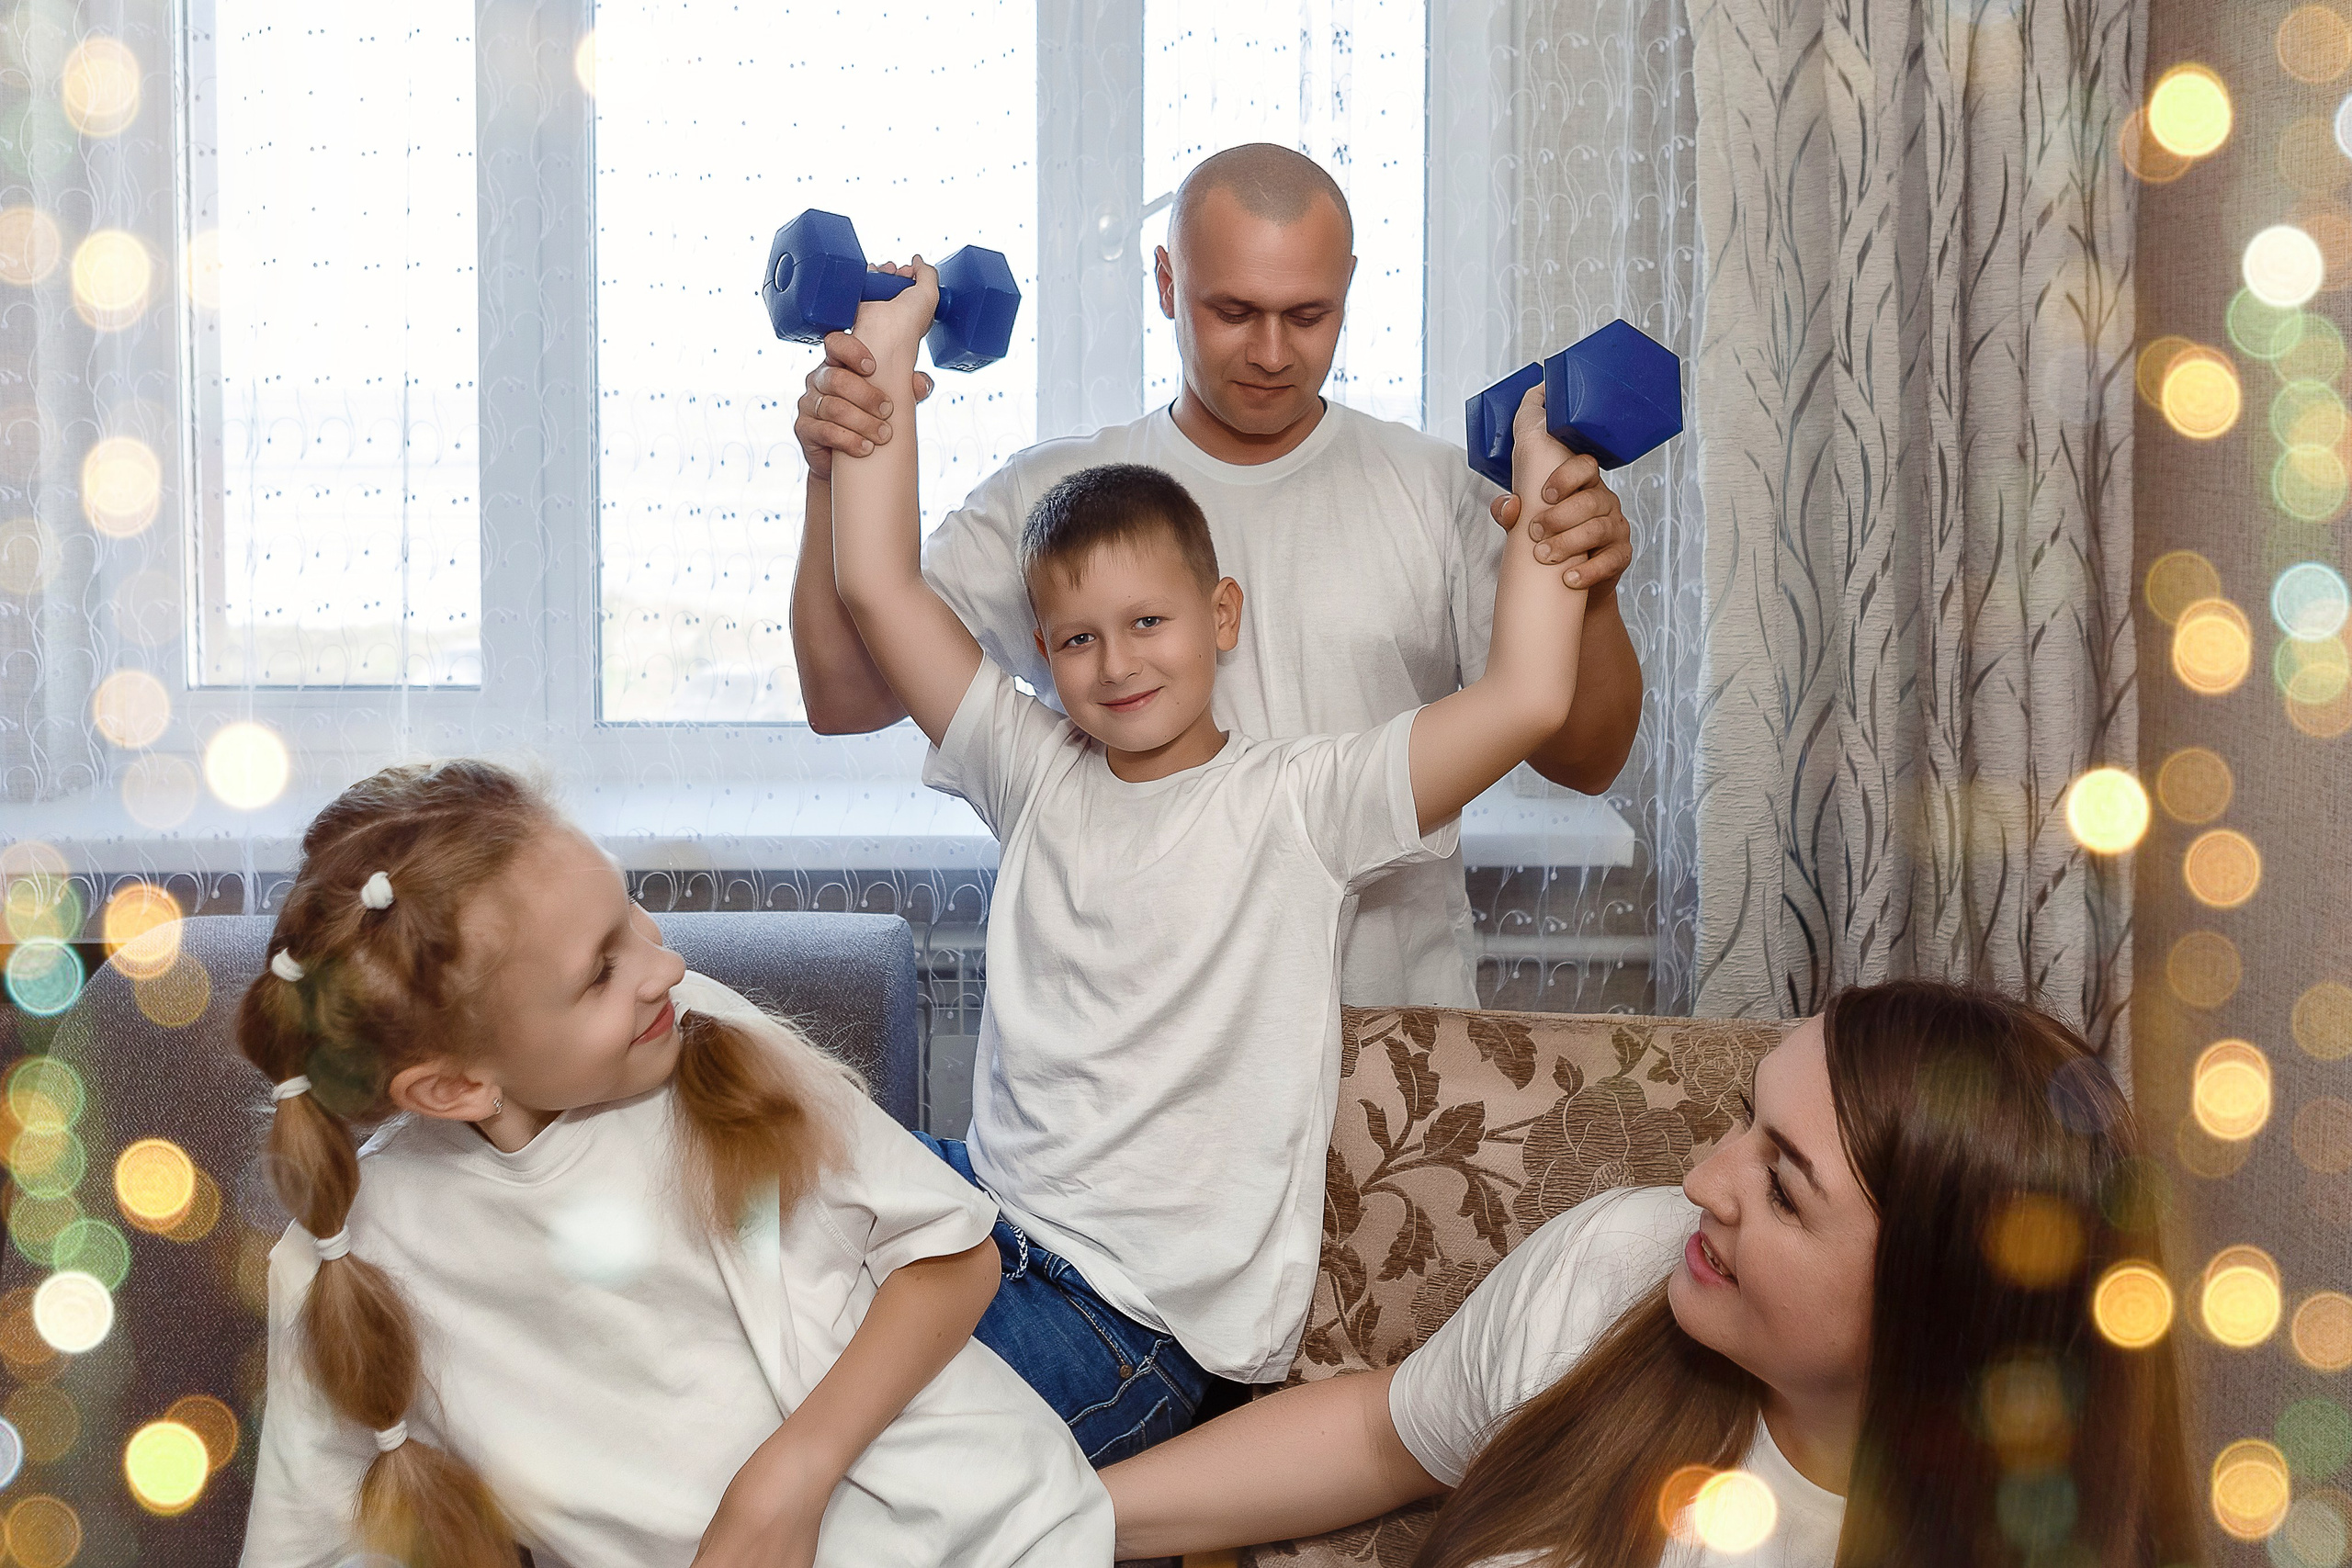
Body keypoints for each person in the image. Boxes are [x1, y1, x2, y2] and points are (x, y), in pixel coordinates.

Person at [824, 253, 1593, 1465]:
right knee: (755, 1150)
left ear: (1220, 619)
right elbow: (874, 581)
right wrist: (884, 350)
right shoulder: (1034, 770)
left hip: (1130, 1314)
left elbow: (1531, 694)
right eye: (1077, 638)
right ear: (1042, 651)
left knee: (868, 1465)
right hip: (982, 1213)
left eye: (1149, 623)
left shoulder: (1300, 804)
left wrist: (1549, 494)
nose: (1116, 663)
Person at [791, 142, 1646, 1011]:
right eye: (1233, 310)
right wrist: (834, 474)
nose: (1272, 351)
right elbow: (842, 694)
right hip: (1136, 1034)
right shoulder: (1057, 504)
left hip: (1390, 1044)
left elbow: (1586, 755)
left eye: (1308, 314)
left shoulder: (1440, 493)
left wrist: (1594, 590)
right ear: (1166, 281)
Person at [235, 761, 1111, 1568]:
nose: (668, 963)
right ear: (457, 1085)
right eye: (600, 971)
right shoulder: (354, 1253)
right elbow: (316, 1538)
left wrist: (792, 1474)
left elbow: (956, 1252)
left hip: (1000, 1531)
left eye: (631, 912)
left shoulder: (698, 1033)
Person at [1102, 980, 2197, 1568]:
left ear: (1938, 1306)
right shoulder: (1623, 1262)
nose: (1704, 1177)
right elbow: (1384, 1434)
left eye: (1783, 1188)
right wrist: (1050, 1520)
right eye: (1743, 1123)